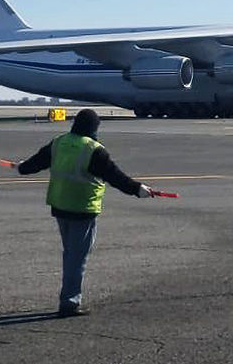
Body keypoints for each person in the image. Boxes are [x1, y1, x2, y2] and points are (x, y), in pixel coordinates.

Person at [17, 109, 158, 317]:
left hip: (60, 206)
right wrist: (137, 189)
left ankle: (69, 297)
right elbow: (115, 176)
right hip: (82, 208)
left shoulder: (59, 142)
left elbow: (35, 163)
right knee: (77, 257)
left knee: (70, 254)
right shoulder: (94, 150)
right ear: (94, 128)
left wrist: (22, 168)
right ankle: (70, 302)